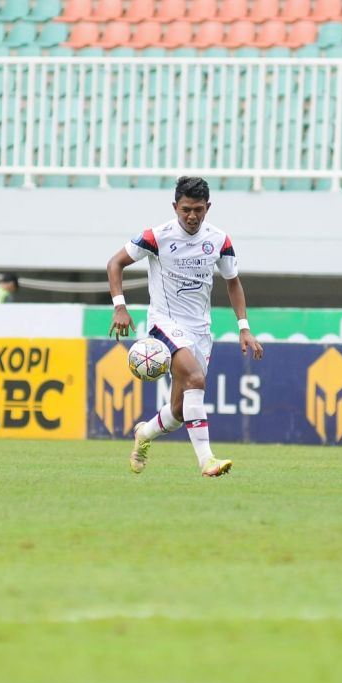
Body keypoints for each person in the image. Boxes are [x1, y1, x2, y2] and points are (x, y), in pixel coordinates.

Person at [106, 176, 264, 477]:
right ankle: (207, 460)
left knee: (179, 410)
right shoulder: (156, 236)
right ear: (175, 206)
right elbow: (115, 263)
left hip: (200, 331)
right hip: (165, 324)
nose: (192, 216)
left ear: (208, 207)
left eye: (199, 210)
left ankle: (144, 434)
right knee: (194, 378)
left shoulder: (219, 240)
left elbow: (233, 282)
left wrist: (244, 327)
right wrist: (120, 307)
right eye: (186, 209)